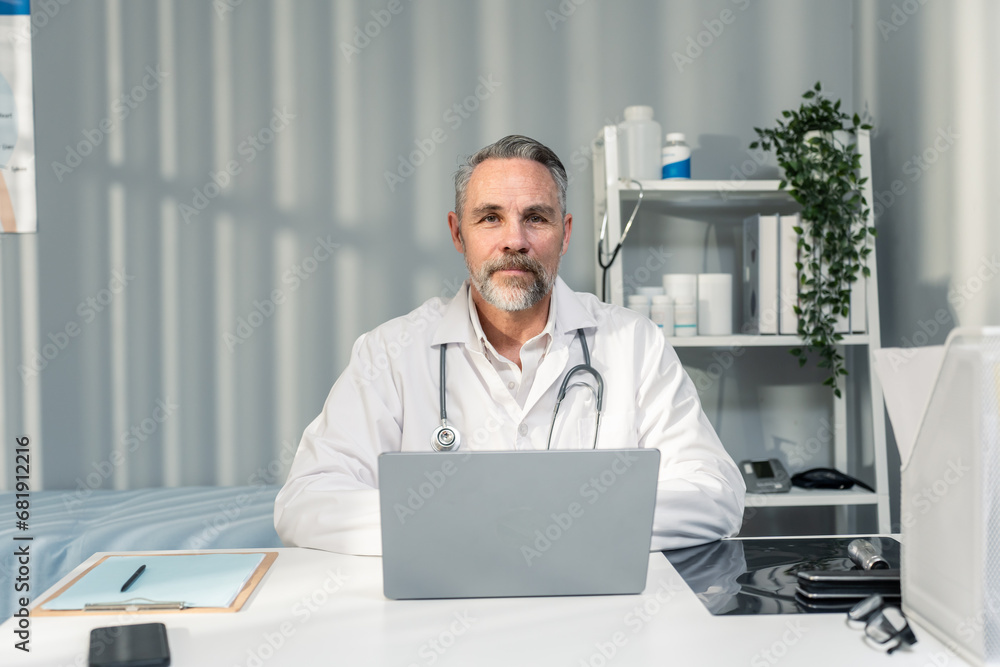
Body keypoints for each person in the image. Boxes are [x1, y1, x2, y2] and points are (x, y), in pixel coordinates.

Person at [274, 135, 745, 555]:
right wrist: (483, 531)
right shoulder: (390, 354)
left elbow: (714, 494)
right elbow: (306, 501)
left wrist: (550, 527)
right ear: (459, 233)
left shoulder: (634, 345)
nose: (514, 240)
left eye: (536, 218)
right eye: (490, 218)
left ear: (566, 234)